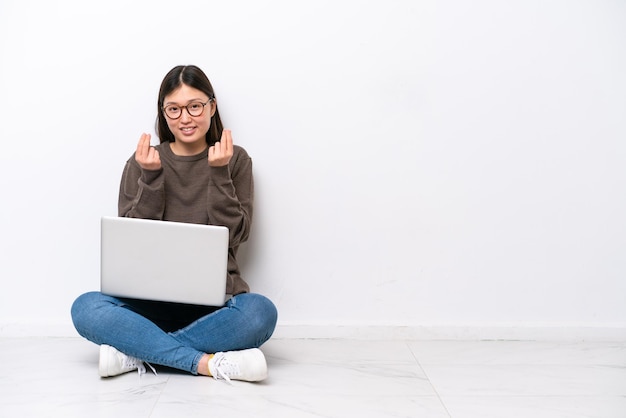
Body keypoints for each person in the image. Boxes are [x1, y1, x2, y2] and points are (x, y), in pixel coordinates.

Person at [71, 65, 277, 383]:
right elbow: (130, 242)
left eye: (194, 106)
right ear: (163, 113)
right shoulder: (143, 160)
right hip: (147, 306)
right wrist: (151, 178)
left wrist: (219, 173)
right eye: (174, 109)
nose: (185, 118)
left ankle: (136, 352)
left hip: (215, 307)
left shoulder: (234, 159)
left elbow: (237, 235)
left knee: (261, 312)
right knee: (85, 307)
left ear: (212, 106)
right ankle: (205, 363)